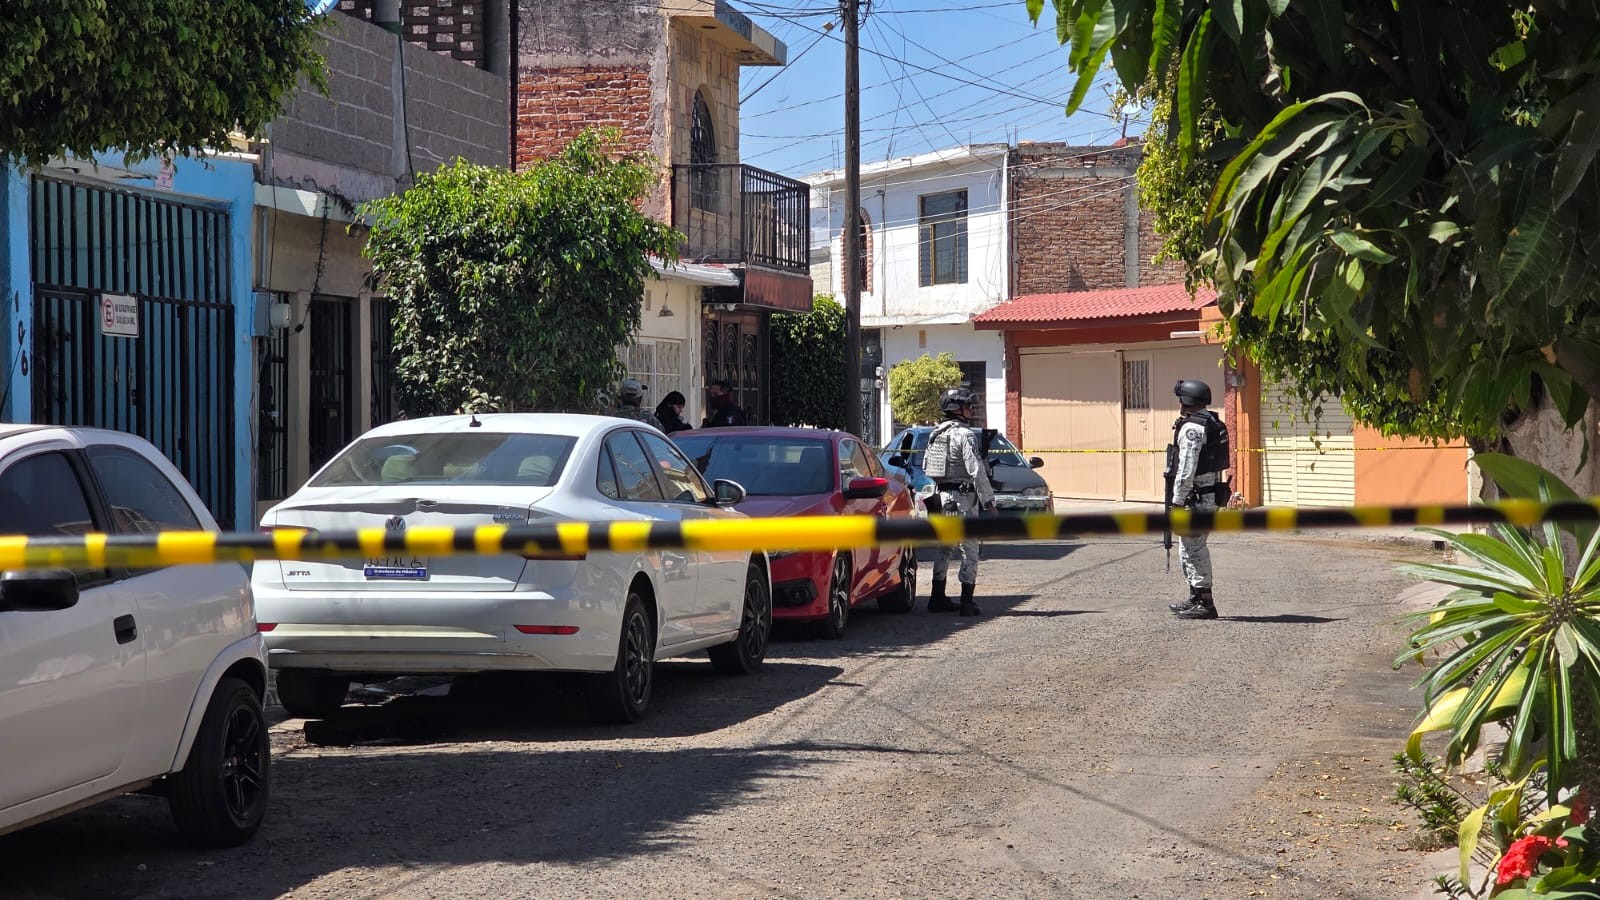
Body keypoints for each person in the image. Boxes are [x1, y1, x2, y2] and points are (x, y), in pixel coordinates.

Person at [923, 387, 995, 616]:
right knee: (970, 548)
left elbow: (927, 467)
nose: (970, 409)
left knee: (944, 547)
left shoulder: (935, 434)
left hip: (942, 498)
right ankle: (967, 602)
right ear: (956, 409)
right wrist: (989, 502)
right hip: (963, 499)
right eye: (966, 405)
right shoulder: (965, 435)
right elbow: (976, 471)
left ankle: (937, 598)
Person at [1165, 379, 1231, 620]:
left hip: (1196, 499)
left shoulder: (1192, 429)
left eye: (1181, 399)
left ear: (1187, 401)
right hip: (1208, 495)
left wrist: (1177, 501)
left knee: (1194, 548)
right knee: (1190, 546)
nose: (1179, 403)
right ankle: (1196, 597)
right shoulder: (1211, 422)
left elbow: (1186, 469)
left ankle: (1205, 602)